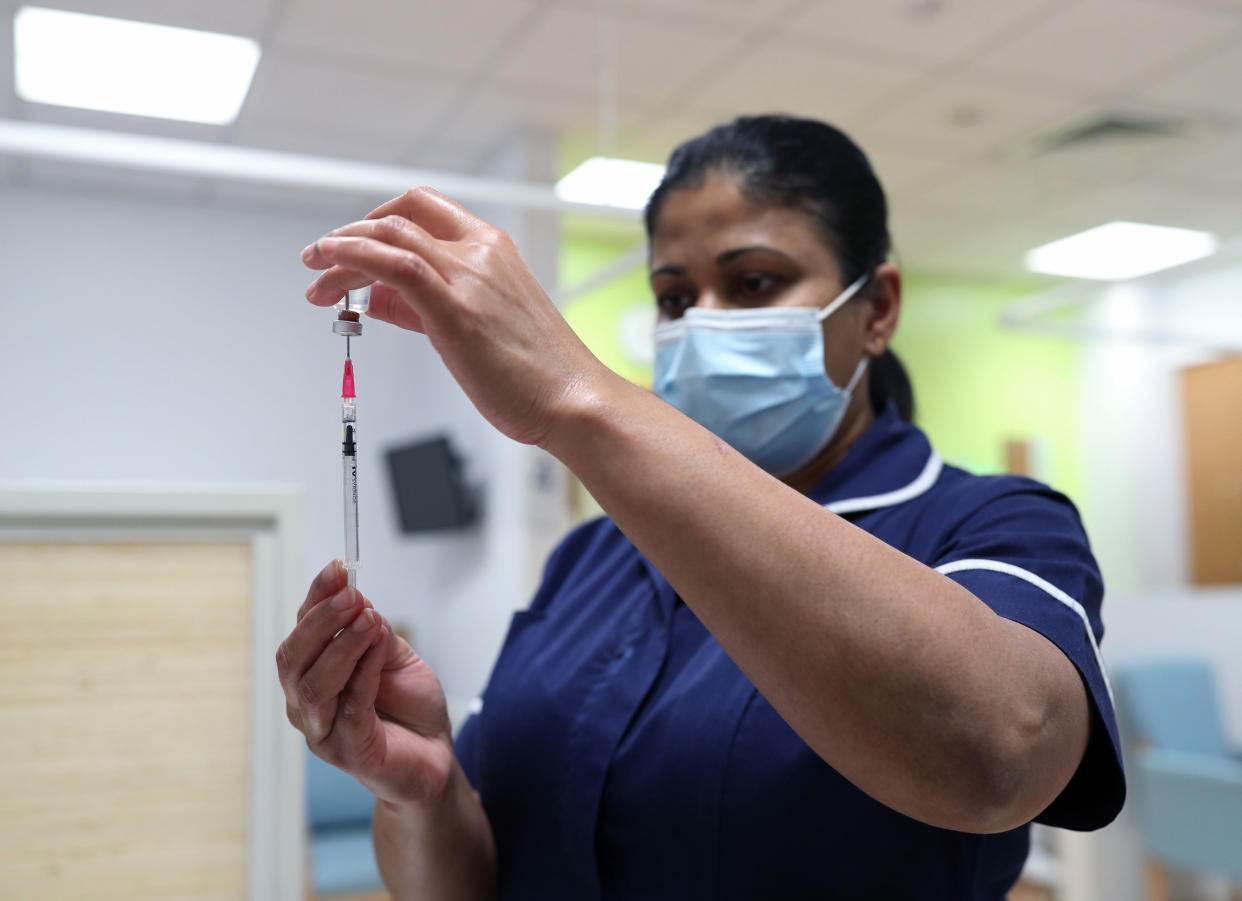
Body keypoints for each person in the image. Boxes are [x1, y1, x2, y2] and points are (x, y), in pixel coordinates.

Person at [276, 115, 1125, 900]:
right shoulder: (593, 556)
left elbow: (1004, 753)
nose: (704, 323)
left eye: (755, 282)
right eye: (675, 298)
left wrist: (578, 395)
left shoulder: (991, 522)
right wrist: (421, 794)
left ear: (878, 309)